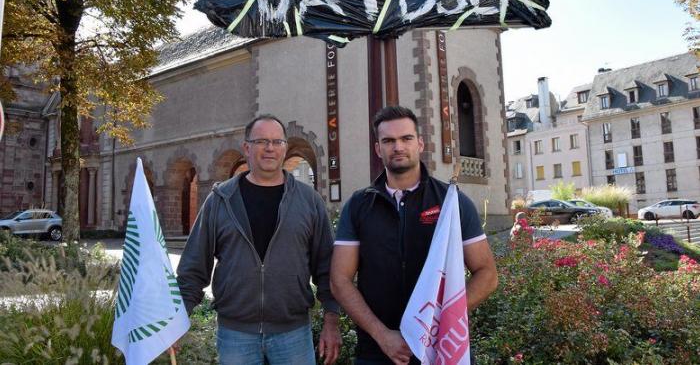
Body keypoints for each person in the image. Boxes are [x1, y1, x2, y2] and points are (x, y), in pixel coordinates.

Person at [330, 106, 498, 365]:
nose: (398, 147)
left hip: (440, 347)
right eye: (388, 141)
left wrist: (439, 322)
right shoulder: (358, 205)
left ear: (420, 143)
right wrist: (382, 335)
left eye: (406, 138)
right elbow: (340, 280)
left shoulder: (451, 202)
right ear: (378, 149)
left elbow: (487, 274)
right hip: (378, 351)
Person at [176, 114, 342, 365]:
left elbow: (327, 266)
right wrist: (179, 318)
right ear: (246, 148)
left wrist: (331, 320)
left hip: (293, 333)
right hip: (236, 335)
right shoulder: (221, 200)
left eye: (277, 142)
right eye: (261, 141)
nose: (269, 148)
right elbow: (193, 265)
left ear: (285, 148)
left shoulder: (308, 201)